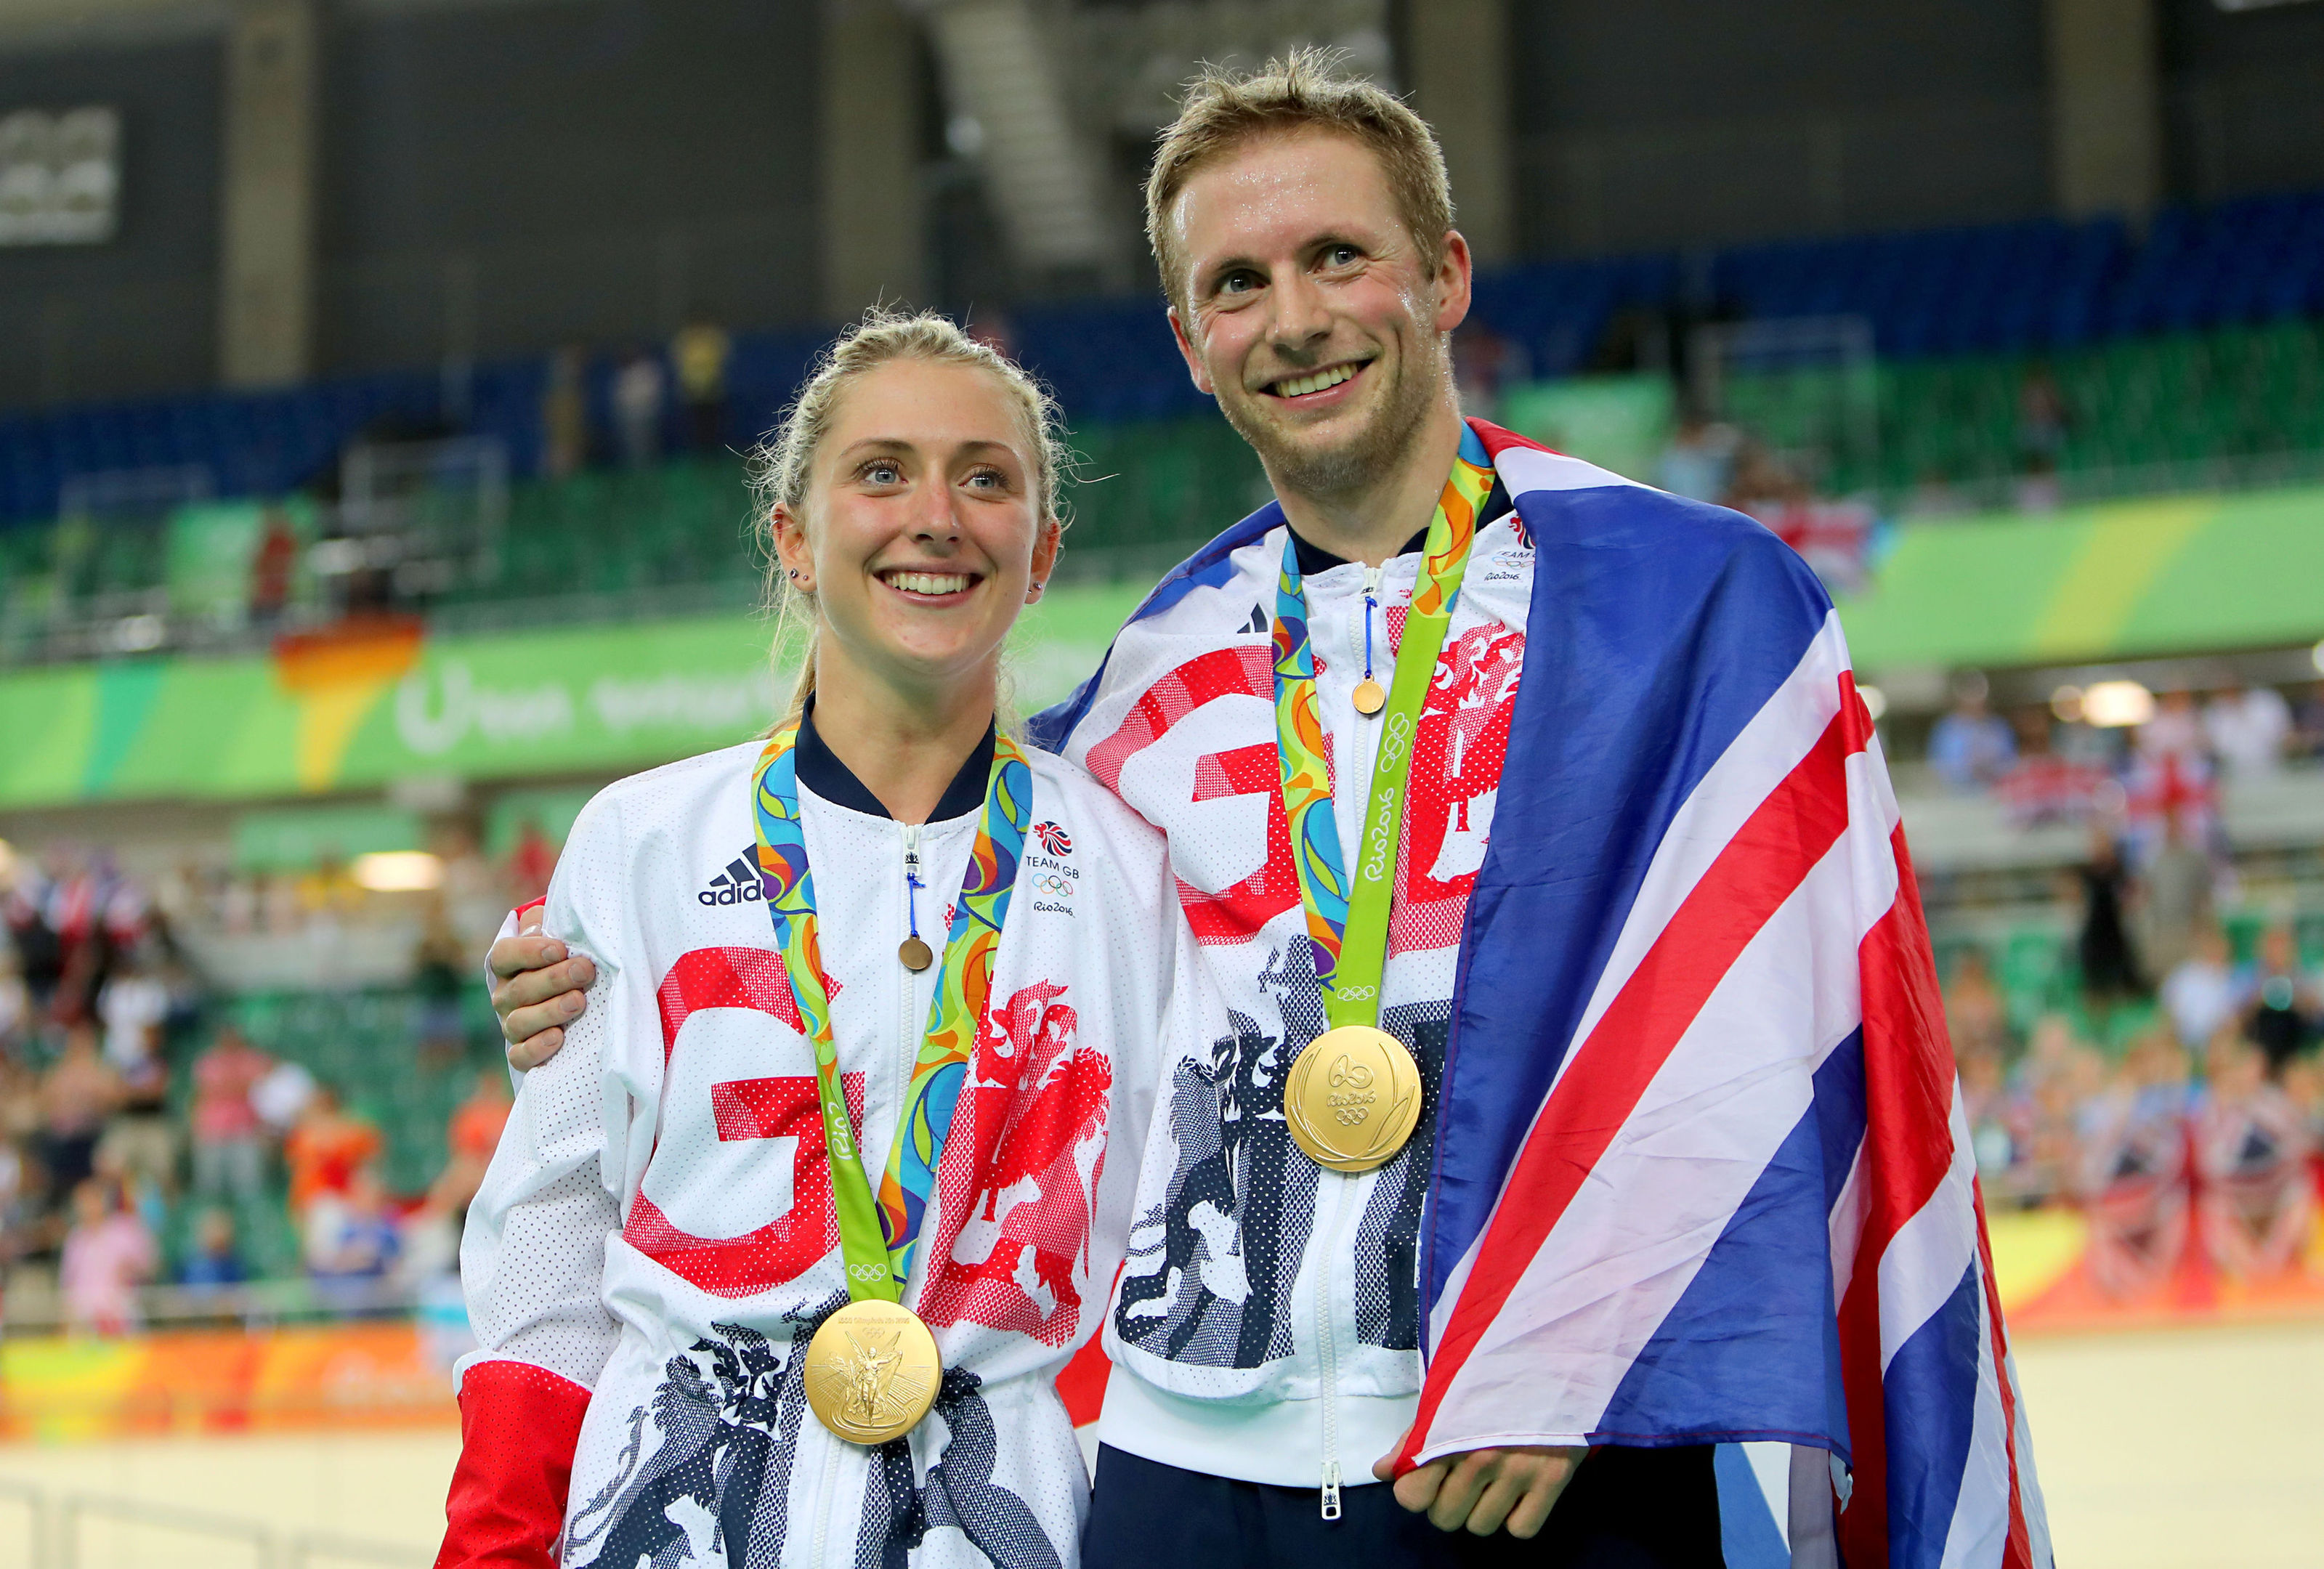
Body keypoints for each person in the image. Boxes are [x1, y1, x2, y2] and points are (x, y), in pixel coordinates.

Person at [487, 54, 2046, 1568]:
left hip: (1539, 1453)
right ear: (1186, 339)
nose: (1292, 319)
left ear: (1442, 276)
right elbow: (942, 983)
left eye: (1337, 257)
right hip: (1184, 1473)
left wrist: (1585, 1342)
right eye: (1237, 283)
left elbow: (1777, 1022)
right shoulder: (1144, 692)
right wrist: (596, 998)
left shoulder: (1682, 607)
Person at [436, 312, 1196, 1569]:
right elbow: (553, 1244)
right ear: (792, 537)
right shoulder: (639, 843)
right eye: (881, 471)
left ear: (1043, 552)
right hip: (673, 1510)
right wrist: (495, 1544)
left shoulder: (1127, 863)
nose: (935, 515)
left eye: (985, 477)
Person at [190, 1026, 275, 1204]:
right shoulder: (208, 1062)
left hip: (245, 1127)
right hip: (213, 1128)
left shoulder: (252, 1060)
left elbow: (254, 1085)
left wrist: (226, 1087)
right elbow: (205, 1092)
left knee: (248, 1183)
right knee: (211, 1183)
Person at [59, 1177, 155, 1335]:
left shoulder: (124, 1230)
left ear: (102, 1202)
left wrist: (130, 1268)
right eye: (82, 1202)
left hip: (120, 1311)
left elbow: (148, 1266)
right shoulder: (75, 1239)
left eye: (91, 1201)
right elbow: (68, 1283)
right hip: (85, 1317)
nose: (87, 1207)